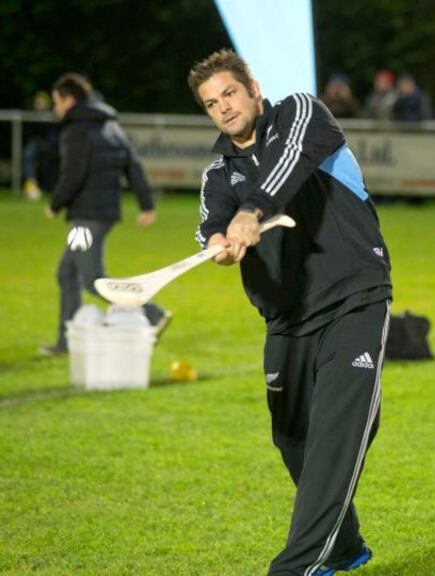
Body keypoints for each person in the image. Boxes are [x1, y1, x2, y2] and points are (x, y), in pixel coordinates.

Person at [187, 48, 390, 576]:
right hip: (286, 318)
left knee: (335, 434)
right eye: (212, 103)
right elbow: (213, 217)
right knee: (293, 437)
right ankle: (345, 548)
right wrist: (219, 242)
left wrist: (255, 210)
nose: (224, 108)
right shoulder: (218, 171)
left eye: (230, 93)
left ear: (253, 89)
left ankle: (296, 566)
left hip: (352, 296)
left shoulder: (301, 113)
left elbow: (290, 161)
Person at [40, 73, 169, 356]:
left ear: (69, 99)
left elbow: (73, 174)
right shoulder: (110, 125)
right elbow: (132, 165)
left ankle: (152, 312)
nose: (55, 108)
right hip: (103, 212)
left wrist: (54, 203)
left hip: (87, 216)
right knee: (67, 273)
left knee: (92, 279)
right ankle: (66, 341)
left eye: (56, 102)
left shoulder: (75, 129)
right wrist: (146, 204)